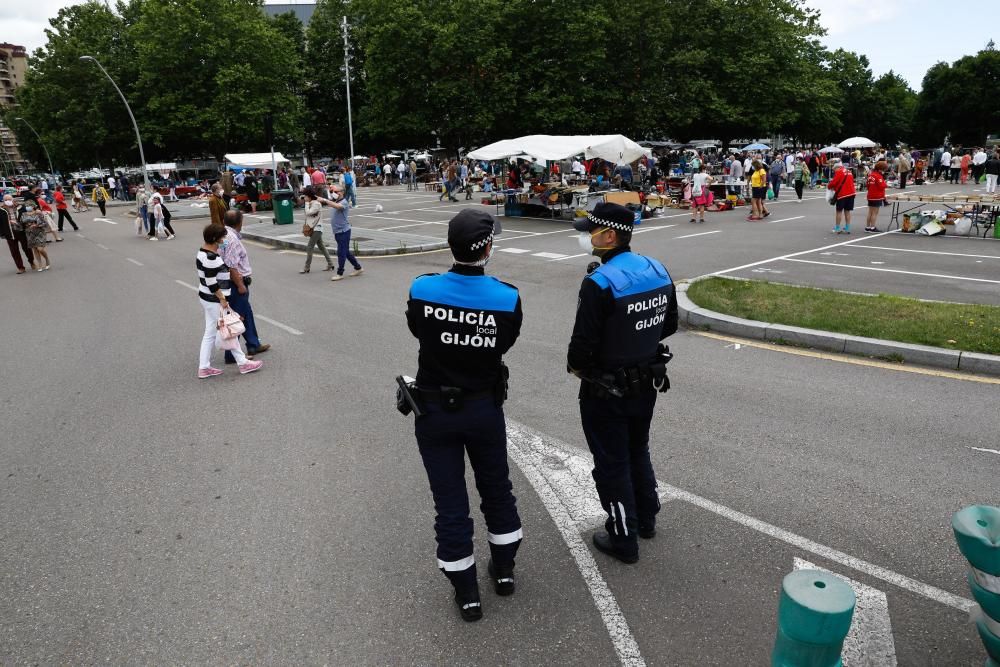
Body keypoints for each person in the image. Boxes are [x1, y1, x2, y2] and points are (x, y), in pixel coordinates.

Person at [405, 208, 523, 622]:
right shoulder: (507, 297)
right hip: (484, 408)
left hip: (435, 411)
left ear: (450, 245)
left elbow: (417, 331)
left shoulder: (422, 289)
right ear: (487, 248)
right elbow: (504, 344)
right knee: (496, 489)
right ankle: (504, 571)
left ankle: (467, 593)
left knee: (450, 501)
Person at [567, 202, 677, 565]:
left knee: (611, 462)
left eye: (591, 230)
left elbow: (580, 352)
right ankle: (646, 519)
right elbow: (670, 324)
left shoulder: (599, 282)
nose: (587, 237)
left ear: (609, 235)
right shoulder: (657, 268)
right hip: (646, 382)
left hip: (605, 390)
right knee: (637, 448)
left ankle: (623, 538)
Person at [195, 223, 263, 379]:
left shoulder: (203, 252)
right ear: (215, 238)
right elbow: (212, 282)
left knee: (211, 333)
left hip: (206, 297)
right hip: (214, 299)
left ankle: (204, 367)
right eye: (222, 237)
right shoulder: (211, 257)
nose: (224, 239)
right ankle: (243, 363)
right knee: (230, 330)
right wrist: (223, 300)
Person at [219, 210, 270, 363]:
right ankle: (231, 354)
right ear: (240, 222)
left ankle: (254, 344)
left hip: (230, 281)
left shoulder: (224, 235)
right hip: (236, 282)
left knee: (246, 313)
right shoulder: (232, 239)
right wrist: (240, 285)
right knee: (237, 318)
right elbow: (231, 266)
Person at [327, 184, 363, 282]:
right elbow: (329, 202)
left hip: (343, 231)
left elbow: (338, 206)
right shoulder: (336, 201)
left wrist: (326, 200)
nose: (334, 194)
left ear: (342, 192)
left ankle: (340, 273)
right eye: (333, 192)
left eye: (336, 192)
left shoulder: (344, 202)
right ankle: (358, 268)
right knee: (346, 252)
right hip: (338, 231)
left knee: (341, 252)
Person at [299, 185, 336, 273]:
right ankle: (330, 264)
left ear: (309, 196)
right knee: (321, 247)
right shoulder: (312, 202)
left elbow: (308, 213)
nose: (305, 197)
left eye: (306, 196)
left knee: (309, 247)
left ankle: (306, 267)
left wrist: (307, 203)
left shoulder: (316, 204)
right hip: (314, 228)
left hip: (317, 229)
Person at [1, 194, 35, 274]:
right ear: (3, 201)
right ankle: (20, 267)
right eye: (6, 200)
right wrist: (2, 233)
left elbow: (27, 217)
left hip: (21, 231)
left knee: (27, 248)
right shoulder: (1, 210)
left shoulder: (20, 207)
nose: (7, 201)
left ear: (12, 199)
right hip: (9, 233)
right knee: (14, 251)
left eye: (9, 199)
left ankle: (32, 262)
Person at [20, 197, 51, 271]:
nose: (28, 207)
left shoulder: (38, 213)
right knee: (35, 249)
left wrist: (37, 225)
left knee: (40, 249)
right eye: (26, 205)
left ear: (33, 206)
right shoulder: (23, 214)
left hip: (39, 232)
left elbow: (45, 224)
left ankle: (47, 259)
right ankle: (40, 264)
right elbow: (21, 223)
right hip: (29, 233)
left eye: (29, 205)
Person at [827, 161, 856, 234]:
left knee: (839, 211)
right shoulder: (849, 171)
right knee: (847, 211)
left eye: (834, 169)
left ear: (837, 167)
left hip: (842, 194)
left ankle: (837, 228)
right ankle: (847, 228)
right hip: (851, 193)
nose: (834, 171)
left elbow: (833, 183)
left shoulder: (839, 172)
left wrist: (829, 186)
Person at [864, 160, 888, 233]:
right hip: (877, 196)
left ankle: (868, 227)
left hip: (870, 195)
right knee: (875, 213)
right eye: (884, 169)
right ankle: (873, 227)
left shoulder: (871, 175)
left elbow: (867, 185)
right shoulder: (878, 176)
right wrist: (885, 183)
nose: (884, 171)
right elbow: (882, 186)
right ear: (880, 169)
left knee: (870, 212)